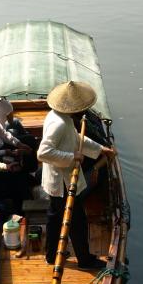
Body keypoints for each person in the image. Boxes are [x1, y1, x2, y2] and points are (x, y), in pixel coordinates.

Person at [37, 80, 116, 270]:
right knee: (77, 220)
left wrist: (100, 149)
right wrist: (73, 157)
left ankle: (51, 255)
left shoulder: (58, 116)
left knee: (55, 216)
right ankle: (85, 260)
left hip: (58, 178)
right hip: (63, 181)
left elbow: (76, 139)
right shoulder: (60, 124)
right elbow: (43, 153)